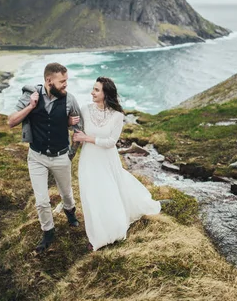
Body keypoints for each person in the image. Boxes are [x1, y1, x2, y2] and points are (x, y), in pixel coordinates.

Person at [73, 76, 161, 251]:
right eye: (93, 88)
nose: (92, 92)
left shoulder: (117, 116)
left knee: (108, 192)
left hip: (107, 159)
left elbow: (111, 141)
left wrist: (86, 138)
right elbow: (74, 128)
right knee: (91, 194)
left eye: (96, 90)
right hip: (88, 158)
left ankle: (110, 231)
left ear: (106, 93)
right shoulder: (84, 109)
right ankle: (97, 233)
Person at [8, 62, 82, 254]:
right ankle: (48, 232)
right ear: (49, 81)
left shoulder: (70, 100)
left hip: (61, 156)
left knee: (66, 193)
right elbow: (11, 121)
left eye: (67, 80)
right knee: (41, 201)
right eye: (62, 81)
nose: (66, 85)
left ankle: (70, 212)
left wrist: (71, 153)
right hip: (36, 157)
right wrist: (30, 107)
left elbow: (78, 129)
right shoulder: (29, 96)